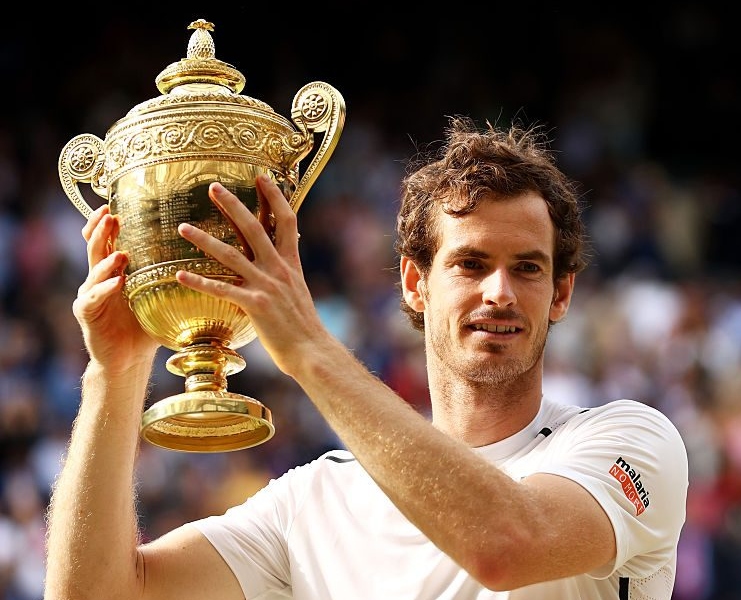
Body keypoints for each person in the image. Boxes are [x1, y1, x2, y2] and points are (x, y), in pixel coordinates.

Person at [44, 116, 689, 599]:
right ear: (414, 283)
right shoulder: (315, 501)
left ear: (561, 294)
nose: (500, 291)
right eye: (470, 264)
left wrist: (308, 346)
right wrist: (115, 372)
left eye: (528, 268)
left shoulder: (629, 440)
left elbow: (505, 547)